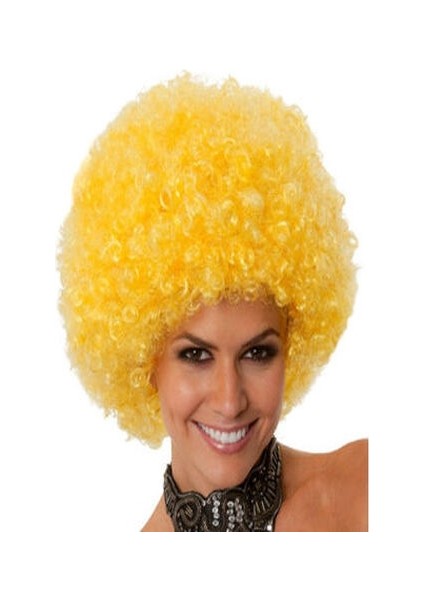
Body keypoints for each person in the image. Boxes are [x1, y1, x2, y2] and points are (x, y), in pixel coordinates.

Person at [58, 74, 368, 532]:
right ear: (145, 364)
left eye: (257, 352)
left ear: (291, 345)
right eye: (196, 355)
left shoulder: (367, 490)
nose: (229, 400)